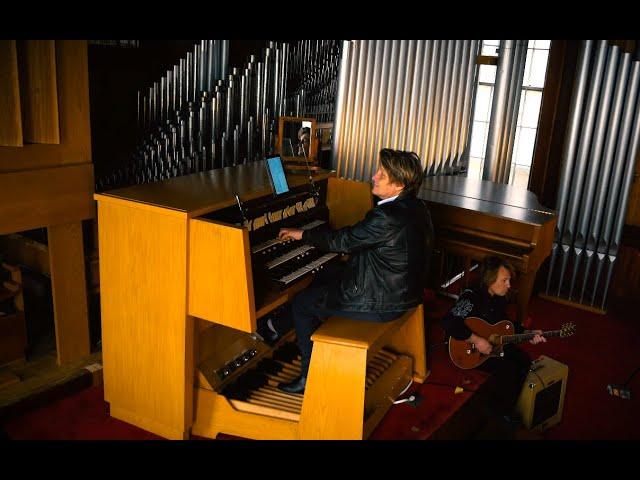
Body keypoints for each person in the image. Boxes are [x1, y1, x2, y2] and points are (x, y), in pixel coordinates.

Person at [276, 149, 434, 393]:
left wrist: (301, 234)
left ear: (399, 184)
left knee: (300, 303)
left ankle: (308, 377)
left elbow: (344, 240)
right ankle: (291, 330)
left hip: (382, 303)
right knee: (326, 274)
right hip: (405, 293)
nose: (374, 176)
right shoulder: (416, 206)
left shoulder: (387, 216)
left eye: (382, 174)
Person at [442, 256, 546, 428]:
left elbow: (504, 325)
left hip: (488, 344)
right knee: (509, 368)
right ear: (490, 280)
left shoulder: (498, 298)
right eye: (504, 280)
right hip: (466, 349)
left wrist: (529, 333)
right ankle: (498, 409)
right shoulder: (471, 297)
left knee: (523, 359)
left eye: (509, 280)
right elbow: (448, 322)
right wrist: (476, 340)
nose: (509, 285)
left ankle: (507, 404)